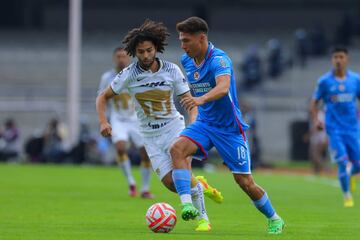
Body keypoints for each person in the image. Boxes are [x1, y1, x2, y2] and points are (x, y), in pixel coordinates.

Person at [96, 19, 223, 232]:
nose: (146, 56)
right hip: (150, 136)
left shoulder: (172, 70)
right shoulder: (128, 74)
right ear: (134, 52)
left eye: (149, 50)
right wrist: (103, 121)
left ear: (156, 48)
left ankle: (201, 218)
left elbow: (190, 104)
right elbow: (102, 97)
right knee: (172, 183)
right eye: (141, 52)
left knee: (181, 167)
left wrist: (192, 126)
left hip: (174, 129)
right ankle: (200, 186)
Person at [170, 16, 285, 234]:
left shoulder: (220, 60)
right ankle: (186, 204)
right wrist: (197, 112)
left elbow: (223, 88)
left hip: (229, 129)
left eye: (186, 41)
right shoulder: (187, 61)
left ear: (201, 38)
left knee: (245, 182)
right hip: (204, 123)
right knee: (176, 149)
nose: (183, 46)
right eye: (181, 41)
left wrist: (200, 100)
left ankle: (274, 218)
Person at [98, 47, 153, 198]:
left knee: (146, 154)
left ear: (129, 58)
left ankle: (145, 188)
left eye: (124, 56)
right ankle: (131, 182)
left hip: (137, 119)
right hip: (118, 119)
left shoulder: (137, 74)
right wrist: (103, 120)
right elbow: (101, 98)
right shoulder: (107, 77)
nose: (121, 59)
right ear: (114, 58)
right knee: (120, 148)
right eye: (118, 56)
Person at [310, 46, 360, 207]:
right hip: (334, 129)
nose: (338, 60)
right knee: (343, 162)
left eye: (341, 57)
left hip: (352, 128)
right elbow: (314, 102)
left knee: (357, 165)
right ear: (332, 60)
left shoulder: (355, 80)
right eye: (335, 57)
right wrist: (317, 119)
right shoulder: (324, 81)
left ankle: (349, 176)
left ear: (347, 59)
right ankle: (347, 196)